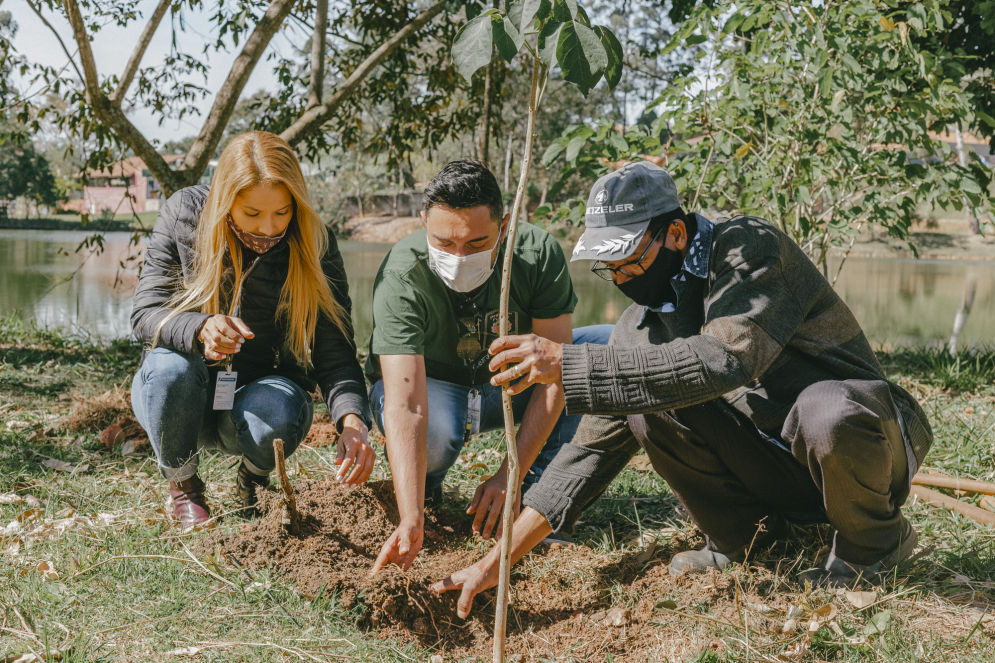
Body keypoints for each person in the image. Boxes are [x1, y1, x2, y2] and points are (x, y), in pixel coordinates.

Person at [433, 161, 934, 616]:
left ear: (675, 233)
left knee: (825, 408)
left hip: (864, 444)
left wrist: (570, 362)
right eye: (610, 268)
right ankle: (745, 539)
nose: (622, 278)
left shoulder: (749, 251)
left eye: (630, 260)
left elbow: (723, 360)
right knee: (644, 403)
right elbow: (586, 455)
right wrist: (496, 563)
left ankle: (873, 544)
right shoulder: (639, 328)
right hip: (781, 471)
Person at [366, 159, 613, 574]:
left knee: (603, 348)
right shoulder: (402, 273)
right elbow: (406, 403)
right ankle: (424, 492)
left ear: (504, 225)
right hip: (434, 387)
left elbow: (556, 372)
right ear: (424, 221)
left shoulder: (536, 254)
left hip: (506, 383)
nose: (459, 257)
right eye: (444, 242)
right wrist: (409, 517)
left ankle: (536, 496)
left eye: (477, 243)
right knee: (433, 433)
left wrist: (509, 475)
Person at [130, 131, 375, 529]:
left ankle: (253, 478)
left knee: (277, 410)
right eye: (252, 213)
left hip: (257, 398)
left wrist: (352, 420)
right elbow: (145, 314)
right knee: (169, 369)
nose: (268, 228)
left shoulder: (315, 240)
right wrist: (200, 328)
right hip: (177, 398)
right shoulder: (184, 214)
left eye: (282, 212)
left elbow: (335, 347)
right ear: (225, 200)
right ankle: (185, 488)